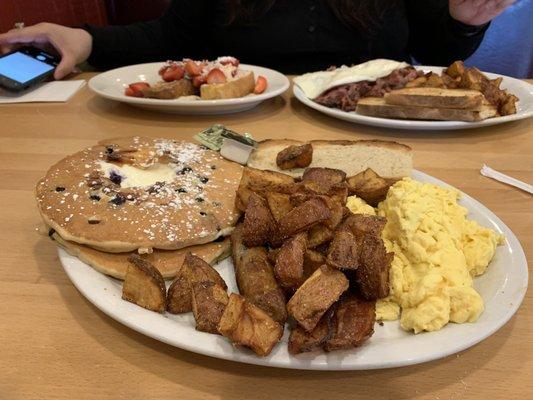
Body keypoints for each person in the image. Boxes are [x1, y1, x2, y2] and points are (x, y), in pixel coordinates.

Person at [0, 0, 515, 78]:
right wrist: (86, 40)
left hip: (374, 122)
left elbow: (433, 52)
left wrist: (465, 20)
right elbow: (171, 38)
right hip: (234, 135)